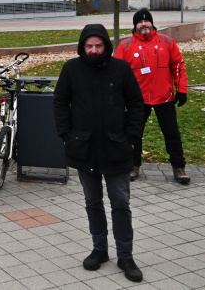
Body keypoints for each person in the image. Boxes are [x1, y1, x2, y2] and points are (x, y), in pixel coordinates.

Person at [53, 24, 144, 282]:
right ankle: (99, 249)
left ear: (107, 46)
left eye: (98, 46)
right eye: (89, 46)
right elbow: (60, 101)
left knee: (120, 203)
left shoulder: (121, 69)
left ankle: (125, 255)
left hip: (117, 149)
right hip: (84, 148)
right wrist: (66, 137)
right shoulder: (71, 69)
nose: (93, 50)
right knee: (93, 202)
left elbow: (136, 104)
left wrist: (131, 139)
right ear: (82, 46)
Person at [113, 9, 191, 184]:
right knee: (134, 134)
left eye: (146, 21)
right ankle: (133, 165)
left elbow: (178, 66)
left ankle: (179, 168)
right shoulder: (125, 46)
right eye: (140, 22)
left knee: (172, 134)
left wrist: (182, 90)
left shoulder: (167, 42)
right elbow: (116, 74)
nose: (144, 24)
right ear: (135, 25)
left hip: (164, 97)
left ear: (152, 23)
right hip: (137, 100)